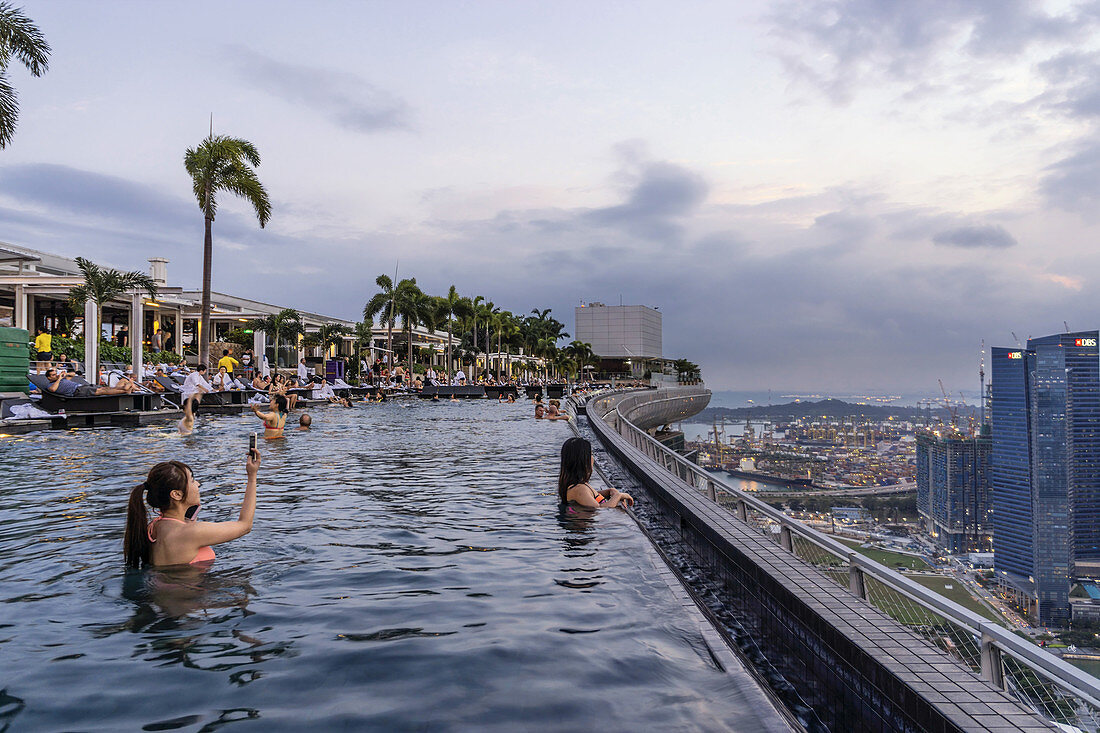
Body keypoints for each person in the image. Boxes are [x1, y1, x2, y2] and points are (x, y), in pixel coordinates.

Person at [123, 450, 260, 567]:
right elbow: (245, 526)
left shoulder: (152, 528)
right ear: (176, 494)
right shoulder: (192, 532)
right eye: (192, 480)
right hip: (189, 596)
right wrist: (252, 477)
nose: (198, 484)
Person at [558, 437, 634, 509]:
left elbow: (589, 497)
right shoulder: (579, 489)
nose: (593, 458)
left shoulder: (578, 486)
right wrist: (618, 496)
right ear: (583, 460)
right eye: (591, 454)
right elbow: (600, 510)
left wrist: (609, 491)